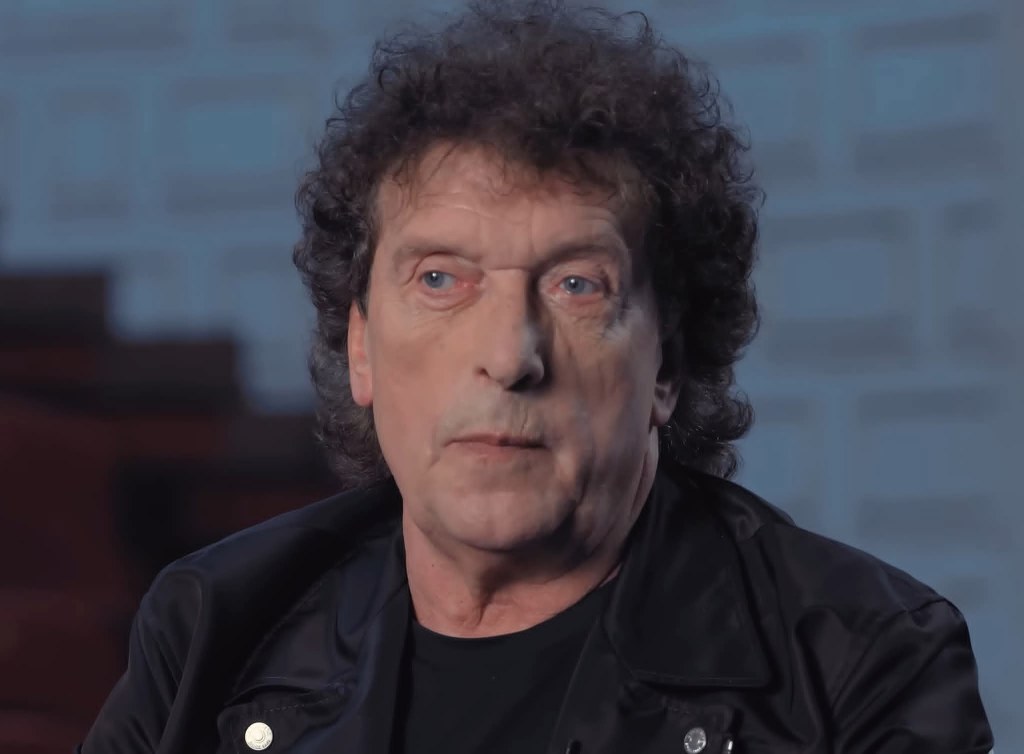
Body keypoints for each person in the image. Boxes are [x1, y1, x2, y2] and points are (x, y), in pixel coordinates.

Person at [80, 1, 993, 752]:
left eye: (576, 285)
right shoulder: (213, 630)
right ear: (360, 349)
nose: (512, 355)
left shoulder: (863, 665)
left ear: (667, 365)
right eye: (441, 280)